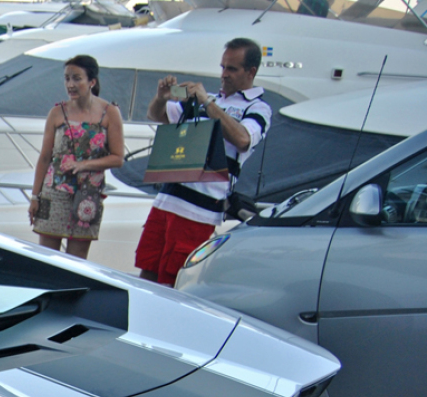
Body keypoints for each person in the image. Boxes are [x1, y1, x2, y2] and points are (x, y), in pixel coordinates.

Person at [134, 38, 272, 285]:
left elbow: (243, 139)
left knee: (174, 282)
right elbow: (156, 115)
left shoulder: (258, 108)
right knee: (146, 276)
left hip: (198, 213)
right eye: (222, 67)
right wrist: (162, 97)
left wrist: (207, 103)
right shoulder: (204, 98)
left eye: (232, 69)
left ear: (251, 72)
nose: (224, 75)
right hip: (167, 200)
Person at [28, 55, 125, 260]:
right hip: (53, 191)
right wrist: (34, 197)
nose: (70, 84)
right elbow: (45, 158)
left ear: (92, 82)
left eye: (77, 78)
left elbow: (118, 158)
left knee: (77, 260)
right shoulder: (57, 112)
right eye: (67, 79)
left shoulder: (109, 113)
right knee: (47, 258)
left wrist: (83, 165)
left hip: (88, 195)